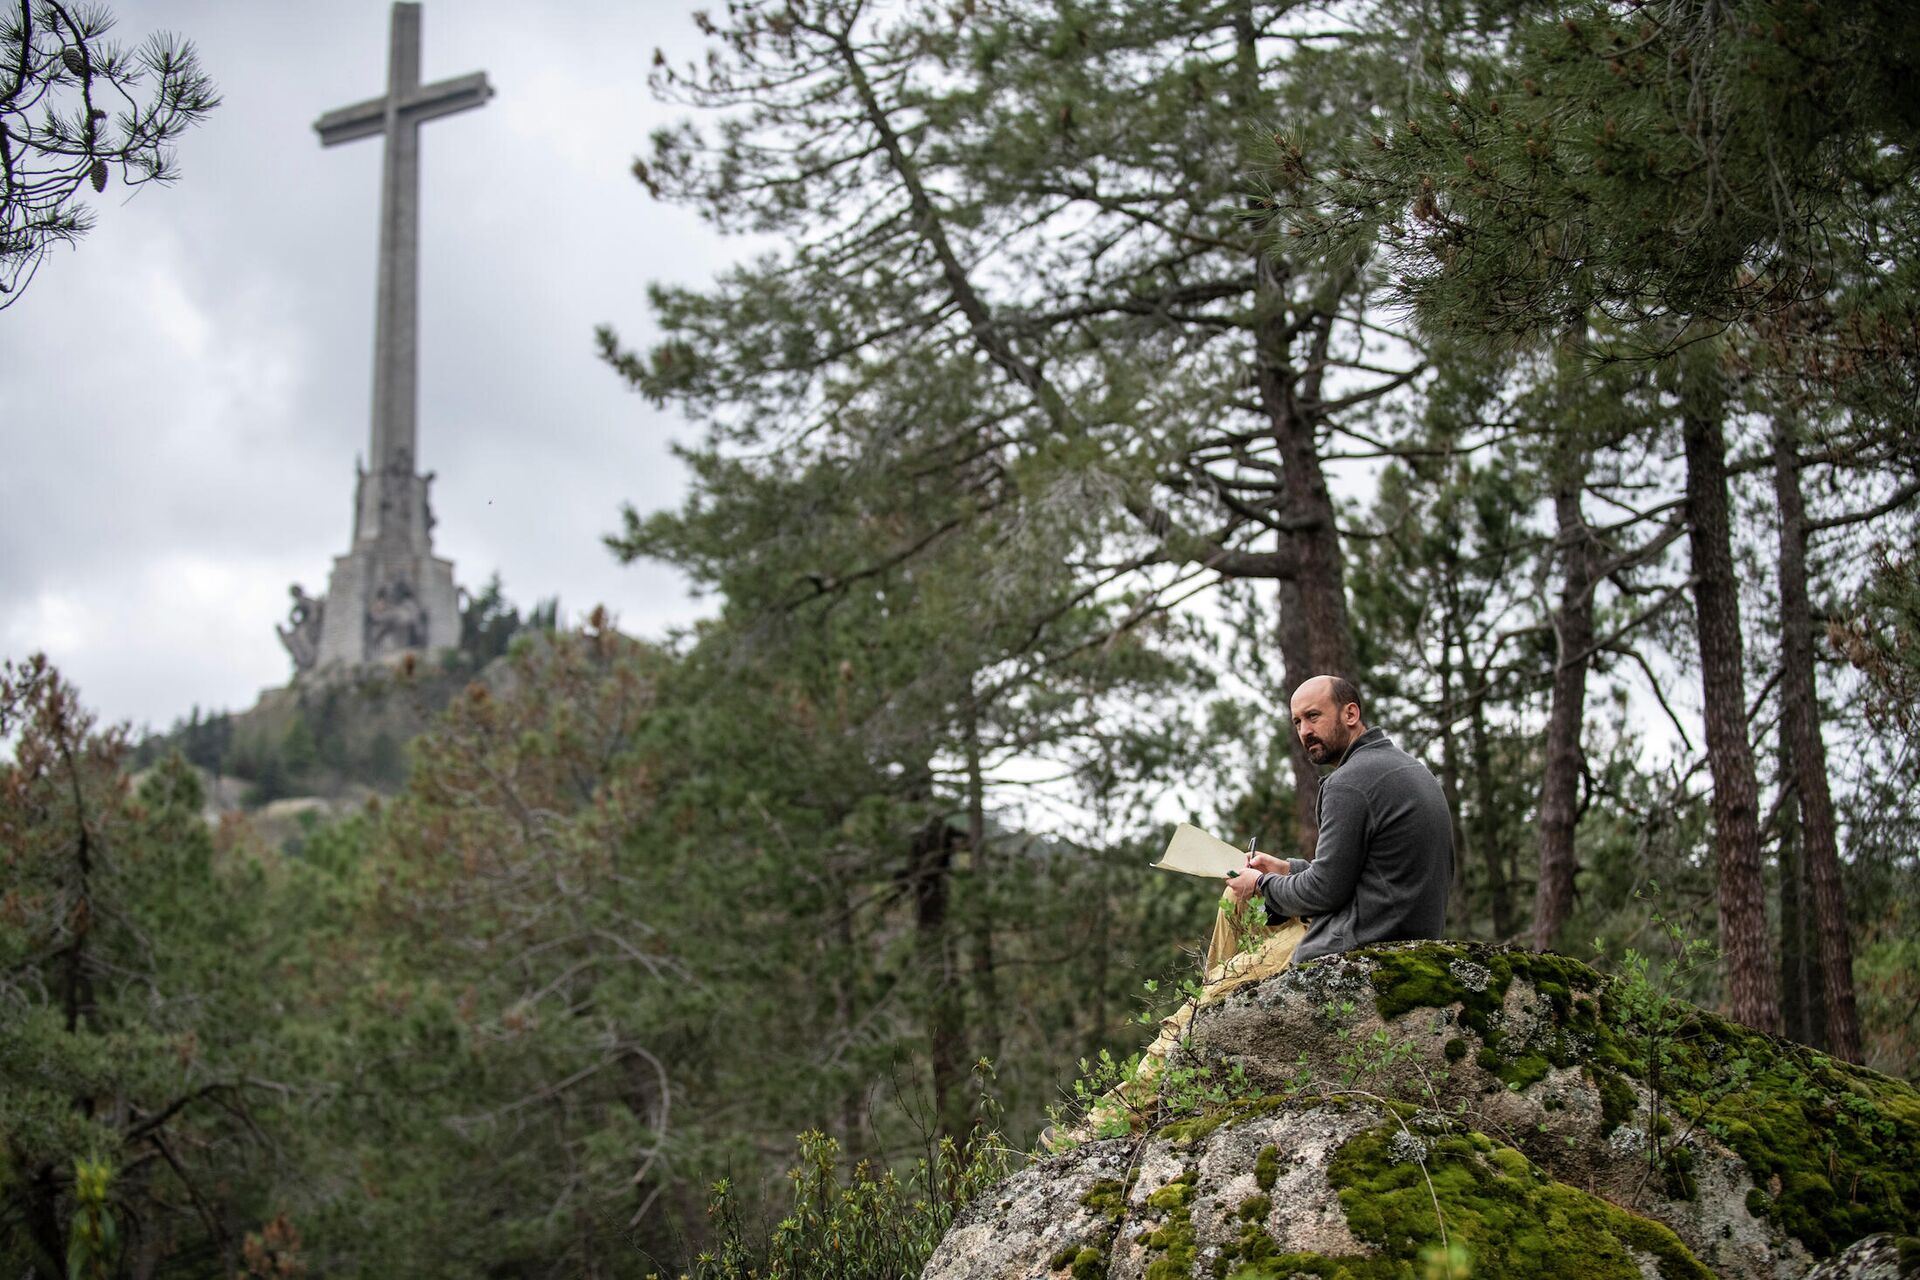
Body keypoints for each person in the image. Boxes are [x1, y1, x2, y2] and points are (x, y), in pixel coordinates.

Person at [1223, 674, 1452, 964]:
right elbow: (1359, 878)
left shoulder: (1349, 783)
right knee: (1235, 898)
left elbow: (1324, 891)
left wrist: (1261, 885)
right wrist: (1286, 869)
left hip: (1364, 944)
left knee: (1235, 912)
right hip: (1405, 935)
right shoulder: (1408, 767)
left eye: (1313, 716)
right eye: (1297, 722)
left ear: (1351, 713)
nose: (1305, 731)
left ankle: (1212, 995)